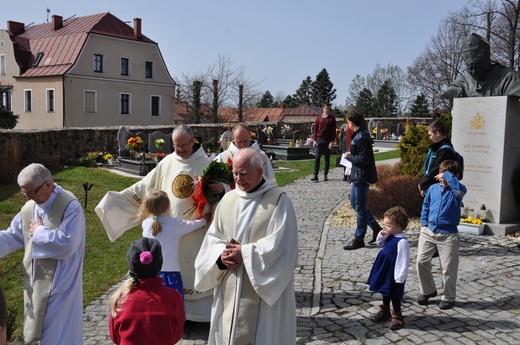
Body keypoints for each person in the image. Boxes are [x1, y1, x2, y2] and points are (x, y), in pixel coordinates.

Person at [96, 125, 228, 322]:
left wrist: (222, 188)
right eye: (176, 146)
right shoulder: (167, 163)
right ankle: (171, 313)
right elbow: (146, 186)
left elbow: (230, 188)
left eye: (184, 145)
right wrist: (119, 198)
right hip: (168, 231)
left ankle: (199, 314)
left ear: (193, 142)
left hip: (197, 232)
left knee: (194, 269)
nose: (180, 149)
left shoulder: (207, 163)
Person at [194, 148, 298, 345]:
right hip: (230, 282)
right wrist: (221, 257)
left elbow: (284, 246)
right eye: (235, 173)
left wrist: (245, 253)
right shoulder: (228, 199)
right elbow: (214, 237)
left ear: (259, 172)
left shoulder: (278, 200)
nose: (238, 179)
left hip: (263, 289)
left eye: (243, 174)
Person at [0, 163, 85, 345]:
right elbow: (14, 234)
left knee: (58, 337)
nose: (29, 197)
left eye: (32, 192)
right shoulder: (30, 207)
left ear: (47, 184)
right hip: (36, 283)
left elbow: (68, 244)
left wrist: (39, 232)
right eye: (25, 193)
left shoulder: (70, 206)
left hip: (61, 286)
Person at [108, 237, 184, 345]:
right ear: (160, 264)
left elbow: (115, 337)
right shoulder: (174, 297)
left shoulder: (120, 299)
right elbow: (176, 335)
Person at [138, 188, 211, 299]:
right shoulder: (174, 224)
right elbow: (192, 225)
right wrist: (205, 219)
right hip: (171, 274)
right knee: (173, 302)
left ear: (147, 207)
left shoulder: (146, 224)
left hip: (151, 273)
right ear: (168, 206)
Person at [416, 160, 466, 310]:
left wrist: (449, 177)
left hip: (448, 234)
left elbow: (461, 189)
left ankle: (448, 296)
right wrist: (424, 224)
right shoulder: (432, 189)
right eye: (441, 177)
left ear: (455, 176)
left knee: (448, 268)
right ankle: (428, 291)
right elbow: (426, 205)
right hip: (429, 231)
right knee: (421, 261)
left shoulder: (457, 192)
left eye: (446, 178)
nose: (443, 181)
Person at [342, 110, 382, 250]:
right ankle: (377, 229)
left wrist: (349, 157)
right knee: (355, 204)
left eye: (347, 121)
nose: (346, 124)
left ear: (351, 122)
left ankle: (359, 239)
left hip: (362, 176)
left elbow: (364, 159)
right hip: (357, 175)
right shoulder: (358, 136)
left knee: (359, 207)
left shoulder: (361, 136)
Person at [367, 206, 410, 331]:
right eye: (385, 225)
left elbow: (403, 260)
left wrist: (400, 277)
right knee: (385, 290)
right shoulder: (390, 234)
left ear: (398, 226)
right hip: (384, 268)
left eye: (388, 226)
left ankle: (397, 315)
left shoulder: (402, 242)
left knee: (394, 293)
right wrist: (382, 234)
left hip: (393, 272)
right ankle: (385, 309)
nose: (386, 228)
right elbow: (379, 243)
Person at [441, 33, 520, 98]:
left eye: (477, 67)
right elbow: (452, 90)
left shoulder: (509, 78)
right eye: (470, 68)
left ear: (488, 64)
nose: (474, 72)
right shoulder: (463, 82)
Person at [418, 121, 457, 197]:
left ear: (437, 133)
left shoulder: (445, 150)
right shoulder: (437, 148)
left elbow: (437, 169)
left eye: (430, 135)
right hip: (433, 187)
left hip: (440, 188)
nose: (429, 138)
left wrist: (423, 184)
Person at [311, 101, 337, 181]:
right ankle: (315, 174)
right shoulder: (319, 118)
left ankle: (325, 174)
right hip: (319, 139)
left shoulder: (332, 119)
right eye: (326, 108)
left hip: (327, 140)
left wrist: (332, 142)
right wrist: (314, 140)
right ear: (323, 108)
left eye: (329, 108)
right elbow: (315, 129)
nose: (328, 110)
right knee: (317, 157)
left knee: (327, 158)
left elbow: (333, 131)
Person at [339, 117, 354, 182]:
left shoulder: (353, 126)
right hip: (344, 144)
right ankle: (345, 174)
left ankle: (350, 174)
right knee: (345, 159)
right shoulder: (343, 126)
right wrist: (340, 144)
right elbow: (341, 136)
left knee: (351, 159)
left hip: (351, 143)